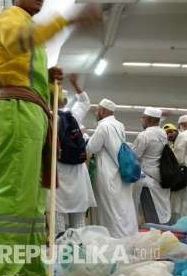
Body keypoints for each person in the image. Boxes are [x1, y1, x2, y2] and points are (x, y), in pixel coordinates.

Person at [0, 0, 101, 274]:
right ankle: (6, 270)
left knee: (34, 204)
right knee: (15, 199)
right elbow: (18, 42)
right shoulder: (11, 17)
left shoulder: (30, 32)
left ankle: (31, 269)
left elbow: (30, 82)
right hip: (17, 111)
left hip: (32, 115)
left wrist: (48, 81)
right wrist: (67, 20)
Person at [87, 99, 138, 238]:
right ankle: (128, 236)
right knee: (123, 207)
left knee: (110, 209)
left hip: (108, 173)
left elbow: (92, 147)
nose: (96, 113)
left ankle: (113, 239)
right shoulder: (120, 125)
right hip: (121, 173)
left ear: (103, 111)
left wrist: (86, 138)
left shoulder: (103, 126)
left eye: (98, 110)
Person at [55, 78, 96, 236]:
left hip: (58, 171)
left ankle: (59, 243)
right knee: (78, 210)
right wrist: (75, 84)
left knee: (57, 209)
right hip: (77, 171)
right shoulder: (73, 116)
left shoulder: (46, 117)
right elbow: (85, 102)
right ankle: (78, 243)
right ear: (65, 101)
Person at [132, 108, 170, 224]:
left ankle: (155, 235)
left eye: (143, 118)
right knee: (161, 212)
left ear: (148, 119)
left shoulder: (144, 135)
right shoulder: (163, 133)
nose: (141, 120)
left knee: (151, 215)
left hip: (148, 181)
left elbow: (135, 155)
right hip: (161, 176)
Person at [171, 115, 187, 221]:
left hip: (184, 174)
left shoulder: (183, 136)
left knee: (180, 205)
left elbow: (178, 158)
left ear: (183, 124)